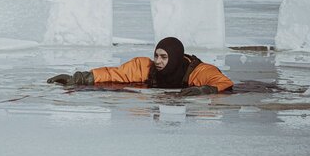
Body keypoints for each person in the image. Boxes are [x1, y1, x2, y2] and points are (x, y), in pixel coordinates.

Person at [47, 37, 233, 95]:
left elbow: (222, 81)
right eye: (156, 56)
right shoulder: (145, 67)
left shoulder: (198, 71)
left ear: (175, 58)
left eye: (164, 57)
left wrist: (203, 91)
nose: (158, 61)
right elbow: (115, 74)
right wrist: (78, 79)